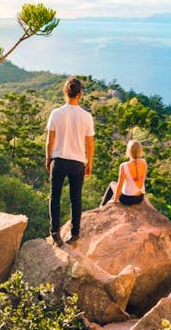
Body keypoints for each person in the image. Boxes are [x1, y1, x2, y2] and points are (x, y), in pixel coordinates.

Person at [45, 77, 94, 245]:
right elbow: (90, 144)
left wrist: (48, 159)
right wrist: (89, 163)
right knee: (76, 198)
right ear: (80, 94)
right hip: (78, 162)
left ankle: (55, 233)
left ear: (65, 92)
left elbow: (49, 141)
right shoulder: (86, 116)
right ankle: (75, 234)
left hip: (58, 160)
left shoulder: (56, 113)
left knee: (55, 196)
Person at [101, 139, 147, 206]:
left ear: (129, 151)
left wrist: (114, 200)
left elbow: (120, 185)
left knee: (112, 184)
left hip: (128, 199)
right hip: (140, 198)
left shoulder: (124, 166)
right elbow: (142, 179)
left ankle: (102, 206)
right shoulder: (144, 162)